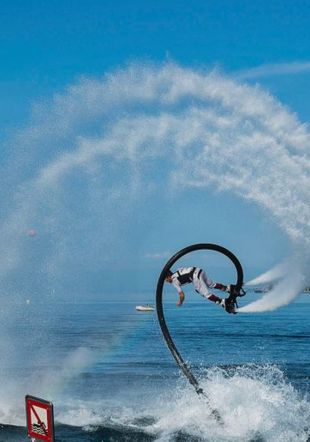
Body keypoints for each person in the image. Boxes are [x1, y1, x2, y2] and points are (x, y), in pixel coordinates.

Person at [165, 266, 235, 313]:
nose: (166, 281)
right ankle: (227, 288)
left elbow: (182, 295)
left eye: (165, 279)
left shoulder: (174, 281)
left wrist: (180, 302)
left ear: (168, 277)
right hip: (199, 271)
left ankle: (222, 302)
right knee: (210, 284)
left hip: (194, 276)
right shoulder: (176, 272)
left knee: (205, 294)